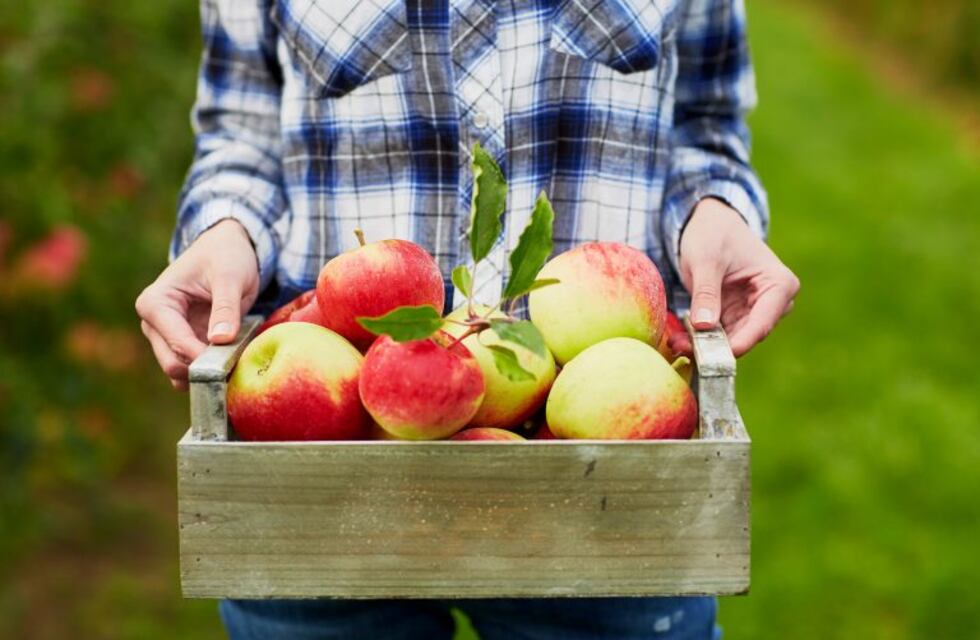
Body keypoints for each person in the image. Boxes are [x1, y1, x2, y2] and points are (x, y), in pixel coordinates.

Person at [136, 1, 799, 638]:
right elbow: (242, 135)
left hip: (606, 490)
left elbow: (705, 119)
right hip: (320, 477)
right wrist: (225, 229)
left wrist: (715, 207)